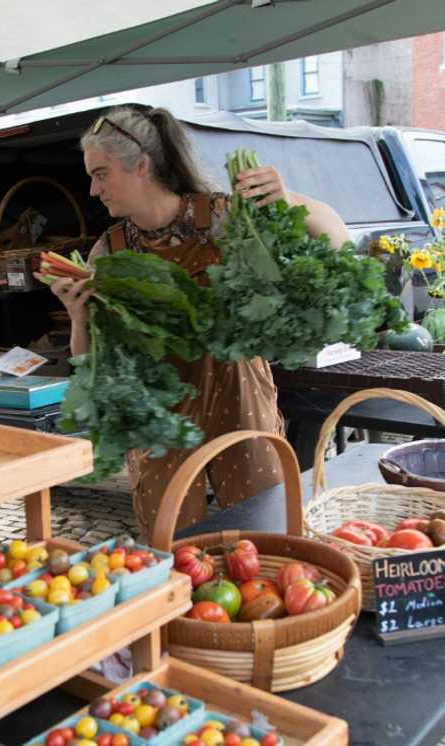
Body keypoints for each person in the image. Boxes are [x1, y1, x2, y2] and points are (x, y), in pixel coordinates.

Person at [47, 106, 350, 540]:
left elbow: (337, 242)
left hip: (240, 395)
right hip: (160, 414)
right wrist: (79, 318)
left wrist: (286, 201)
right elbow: (94, 367)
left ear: (141, 166)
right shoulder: (108, 254)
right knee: (175, 545)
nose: (93, 190)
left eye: (101, 173)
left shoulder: (224, 217)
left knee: (268, 533)